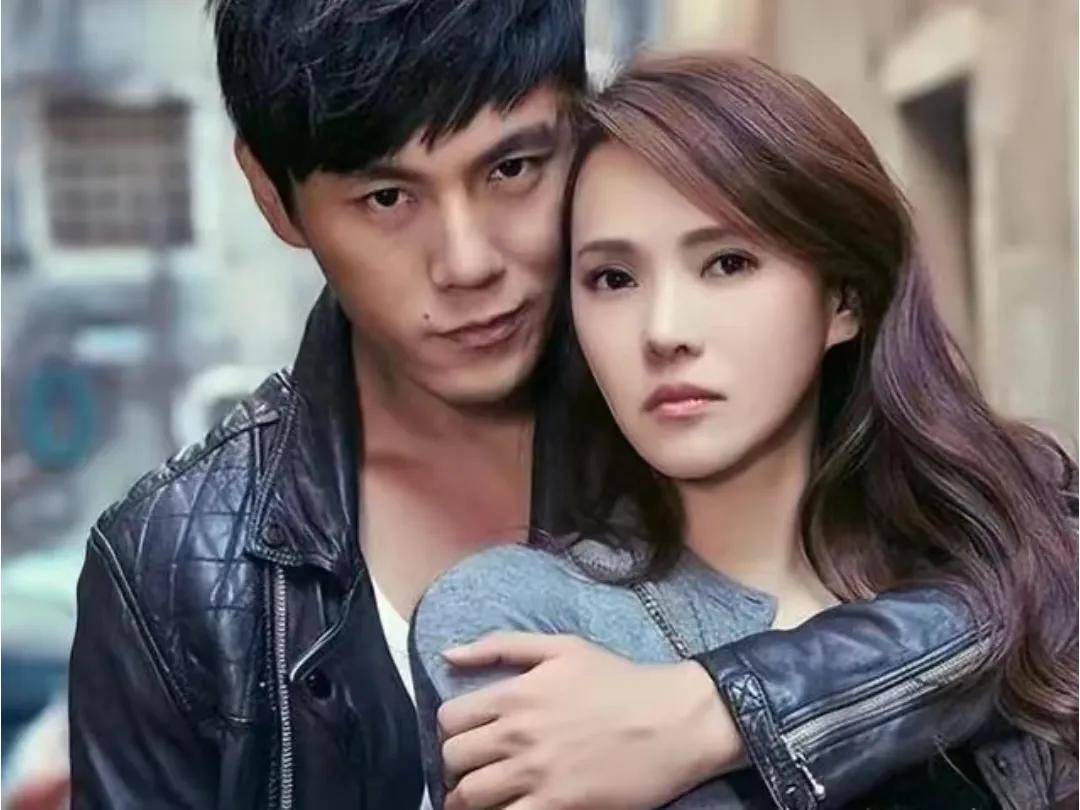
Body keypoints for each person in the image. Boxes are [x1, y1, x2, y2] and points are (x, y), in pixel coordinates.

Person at [69, 3, 1008, 808]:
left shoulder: (720, 409)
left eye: (512, 168)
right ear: (274, 197)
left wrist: (713, 711)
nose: (468, 262)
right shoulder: (177, 568)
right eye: (388, 197)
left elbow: (1031, 573)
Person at [411, 53, 1079, 809]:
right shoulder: (515, 618)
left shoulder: (1014, 551)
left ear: (843, 301)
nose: (664, 332)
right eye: (613, 279)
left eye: (727, 263)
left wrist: (716, 715)